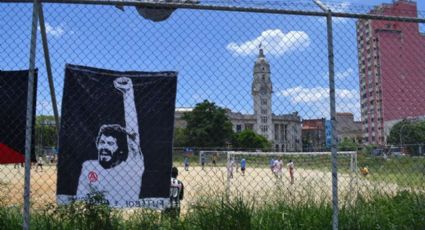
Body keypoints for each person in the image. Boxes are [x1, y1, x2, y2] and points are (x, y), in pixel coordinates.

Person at [75, 77, 144, 207]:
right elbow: (80, 201)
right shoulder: (88, 166)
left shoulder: (131, 166)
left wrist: (128, 93)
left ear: (121, 149)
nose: (104, 147)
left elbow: (133, 138)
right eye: (102, 142)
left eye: (110, 144)